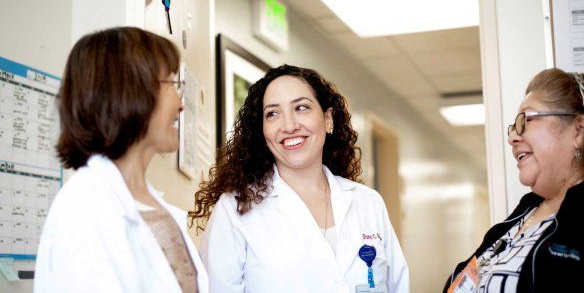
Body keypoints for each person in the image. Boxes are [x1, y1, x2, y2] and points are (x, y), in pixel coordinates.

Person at [190, 64, 408, 293]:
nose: (289, 125)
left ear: (328, 119)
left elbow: (398, 287)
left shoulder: (368, 203)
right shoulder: (235, 209)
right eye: (273, 113)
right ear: (262, 131)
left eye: (301, 107)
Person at [34, 27, 208, 293]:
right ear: (128, 91)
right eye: (172, 84)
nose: (181, 104)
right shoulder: (83, 208)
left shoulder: (155, 206)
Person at [443, 68, 584, 293]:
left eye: (525, 121)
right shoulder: (522, 215)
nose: (511, 138)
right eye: (513, 126)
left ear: (578, 130)